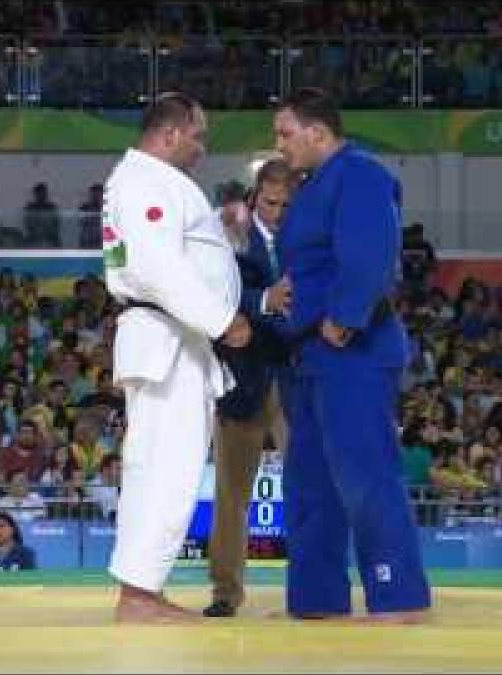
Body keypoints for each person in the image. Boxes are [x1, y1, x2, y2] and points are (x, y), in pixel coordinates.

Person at [273, 87, 430, 624]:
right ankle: (316, 598)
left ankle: (397, 595)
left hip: (352, 349)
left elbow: (370, 250)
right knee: (309, 481)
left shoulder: (359, 173)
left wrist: (345, 316)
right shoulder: (313, 186)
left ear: (319, 132)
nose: (279, 144)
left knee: (366, 474)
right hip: (307, 356)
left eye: (285, 133)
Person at [101, 92, 252, 623]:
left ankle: (143, 589)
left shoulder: (149, 183)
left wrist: (219, 225)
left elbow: (177, 244)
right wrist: (222, 319)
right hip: (167, 337)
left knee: (166, 466)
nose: (202, 147)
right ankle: (138, 596)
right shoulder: (146, 182)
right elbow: (158, 265)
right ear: (171, 132)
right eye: (198, 135)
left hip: (171, 338)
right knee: (165, 467)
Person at [204, 158, 294, 618]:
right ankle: (225, 592)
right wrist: (262, 300)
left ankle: (313, 586)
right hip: (242, 375)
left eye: (286, 204)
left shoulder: (305, 235)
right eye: (272, 202)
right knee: (231, 492)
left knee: (309, 486)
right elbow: (213, 291)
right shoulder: (227, 233)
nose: (278, 212)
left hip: (294, 377)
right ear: (256, 196)